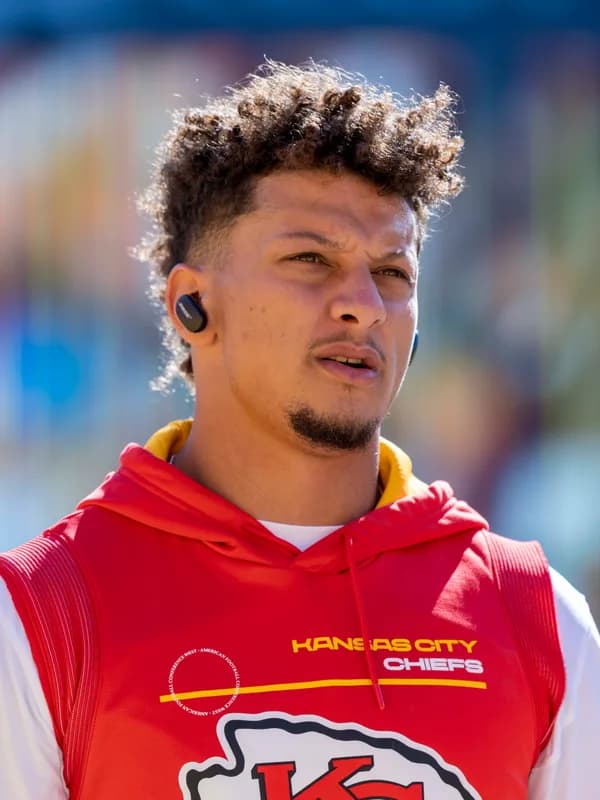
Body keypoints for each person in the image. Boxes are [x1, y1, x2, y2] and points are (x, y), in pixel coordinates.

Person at [1, 60, 598, 800]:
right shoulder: (41, 615)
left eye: (393, 274)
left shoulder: (538, 619)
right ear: (193, 304)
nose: (364, 305)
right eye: (310, 259)